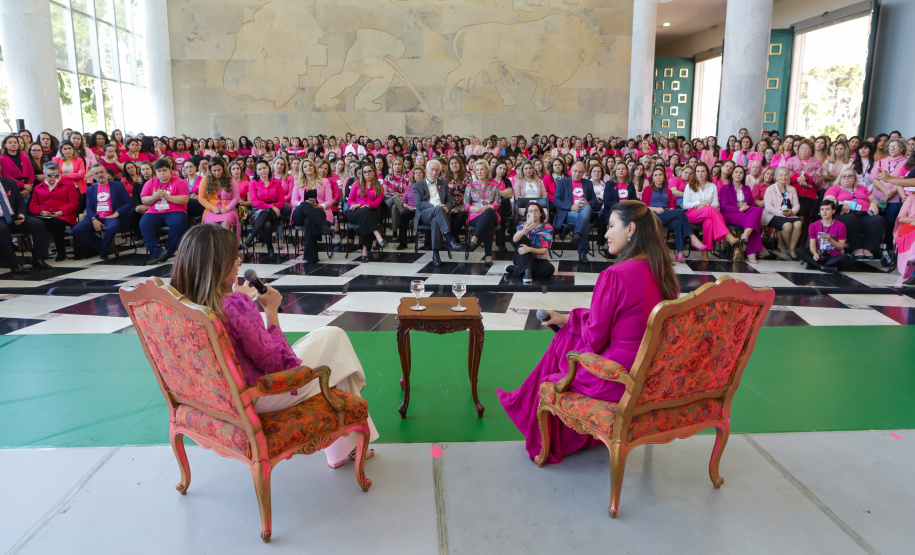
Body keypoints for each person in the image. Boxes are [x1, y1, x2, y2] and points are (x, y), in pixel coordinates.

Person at [169, 224, 378, 468]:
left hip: (214, 397)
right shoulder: (234, 305)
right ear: (216, 265)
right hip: (260, 395)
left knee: (329, 343)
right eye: (233, 258)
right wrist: (270, 310)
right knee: (335, 338)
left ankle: (344, 448)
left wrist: (243, 303)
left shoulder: (181, 306)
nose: (238, 263)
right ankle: (349, 443)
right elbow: (276, 362)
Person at [498, 200, 679, 463]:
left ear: (630, 228)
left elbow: (594, 340)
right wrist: (570, 317)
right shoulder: (664, 273)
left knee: (564, 338)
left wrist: (569, 320)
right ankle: (528, 405)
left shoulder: (615, 275)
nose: (605, 234)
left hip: (619, 378)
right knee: (568, 329)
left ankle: (532, 416)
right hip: (652, 372)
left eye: (610, 226)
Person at [71, 164, 133, 259]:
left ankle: (103, 248)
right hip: (97, 216)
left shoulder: (118, 186)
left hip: (112, 216)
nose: (100, 174)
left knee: (112, 228)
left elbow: (129, 203)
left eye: (102, 172)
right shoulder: (90, 189)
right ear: (93, 176)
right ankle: (104, 246)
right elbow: (89, 208)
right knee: (76, 230)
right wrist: (94, 219)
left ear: (106, 172)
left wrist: (117, 213)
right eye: (97, 173)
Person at [643, 167, 706, 261]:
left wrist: (669, 210)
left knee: (678, 223)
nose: (658, 177)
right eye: (655, 175)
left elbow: (672, 206)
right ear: (652, 178)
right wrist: (656, 209)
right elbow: (643, 206)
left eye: (660, 175)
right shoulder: (648, 189)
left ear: (664, 177)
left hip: (666, 214)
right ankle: (692, 237)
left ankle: (680, 254)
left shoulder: (668, 191)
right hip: (653, 214)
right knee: (680, 212)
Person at [682, 162, 740, 261]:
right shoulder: (689, 186)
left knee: (709, 222)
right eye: (698, 171)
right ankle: (727, 235)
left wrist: (706, 206)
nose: (700, 173)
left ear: (707, 173)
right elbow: (685, 205)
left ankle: (705, 253)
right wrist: (700, 203)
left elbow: (715, 204)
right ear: (695, 173)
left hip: (708, 213)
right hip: (692, 213)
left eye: (702, 171)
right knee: (710, 210)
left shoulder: (712, 186)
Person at [823, 169, 883, 260]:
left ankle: (868, 248)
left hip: (864, 214)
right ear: (840, 178)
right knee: (851, 219)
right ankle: (856, 248)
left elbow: (873, 199)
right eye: (844, 176)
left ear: (854, 178)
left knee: (878, 220)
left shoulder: (862, 188)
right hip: (844, 213)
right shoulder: (835, 188)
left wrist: (873, 205)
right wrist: (841, 203)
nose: (847, 178)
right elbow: (827, 201)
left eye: (850, 176)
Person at [139, 159, 190, 265]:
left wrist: (167, 197)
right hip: (154, 211)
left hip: (175, 210)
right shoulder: (150, 182)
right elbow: (144, 200)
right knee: (144, 223)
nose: (162, 173)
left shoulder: (180, 182)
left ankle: (169, 251)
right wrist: (154, 197)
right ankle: (156, 252)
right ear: (155, 171)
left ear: (170, 170)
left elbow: (185, 199)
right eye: (158, 171)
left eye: (164, 170)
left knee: (178, 222)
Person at [412, 159, 462, 267]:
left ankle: (435, 254)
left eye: (437, 170)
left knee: (435, 221)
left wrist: (447, 208)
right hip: (425, 214)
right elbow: (419, 204)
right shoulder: (418, 185)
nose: (434, 173)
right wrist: (436, 206)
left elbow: (449, 201)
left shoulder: (443, 184)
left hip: (440, 214)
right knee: (437, 209)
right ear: (426, 170)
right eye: (432, 170)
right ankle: (449, 238)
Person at [28, 162, 80, 261]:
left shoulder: (68, 185)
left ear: (59, 173)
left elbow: (74, 203)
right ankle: (40, 254)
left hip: (64, 215)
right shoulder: (38, 187)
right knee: (37, 224)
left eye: (56, 174)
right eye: (49, 175)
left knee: (55, 224)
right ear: (44, 174)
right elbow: (33, 205)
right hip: (45, 215)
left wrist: (61, 211)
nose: (53, 177)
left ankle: (61, 251)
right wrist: (41, 211)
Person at [0, 176, 51, 273]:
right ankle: (14, 263)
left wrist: (21, 214)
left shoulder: (10, 183)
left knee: (38, 224)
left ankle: (38, 259)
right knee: (2, 229)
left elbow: (20, 203)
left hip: (13, 216)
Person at [292, 159, 337, 264]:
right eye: (305, 166)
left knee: (309, 221)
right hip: (300, 213)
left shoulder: (324, 181)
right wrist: (304, 204)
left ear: (314, 167)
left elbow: (329, 201)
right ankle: (324, 225)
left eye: (310, 165)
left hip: (319, 211)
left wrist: (319, 206)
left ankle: (311, 257)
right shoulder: (297, 182)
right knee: (305, 205)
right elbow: (293, 201)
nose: (308, 167)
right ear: (302, 169)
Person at [553, 161, 598, 264]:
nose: (577, 174)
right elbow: (556, 201)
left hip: (584, 211)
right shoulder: (562, 183)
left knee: (586, 209)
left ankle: (577, 233)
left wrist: (588, 203)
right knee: (584, 221)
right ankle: (582, 254)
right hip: (569, 213)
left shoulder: (588, 183)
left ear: (584, 173)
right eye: (575, 171)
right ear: (570, 171)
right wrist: (570, 206)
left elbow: (594, 201)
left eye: (580, 172)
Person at [719, 165, 764, 263]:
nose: (738, 174)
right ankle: (751, 254)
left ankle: (745, 234)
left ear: (744, 175)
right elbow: (724, 206)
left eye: (741, 172)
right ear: (732, 174)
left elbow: (752, 204)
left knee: (757, 210)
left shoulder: (747, 188)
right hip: (730, 214)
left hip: (745, 212)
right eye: (736, 172)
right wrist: (739, 209)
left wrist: (746, 208)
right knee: (753, 222)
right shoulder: (725, 188)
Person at [243, 159, 285, 262]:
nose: (262, 171)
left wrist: (271, 207)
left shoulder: (277, 182)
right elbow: (254, 202)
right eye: (259, 169)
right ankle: (270, 249)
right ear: (256, 171)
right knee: (266, 223)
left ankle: (251, 237)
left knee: (267, 212)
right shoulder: (253, 183)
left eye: (264, 168)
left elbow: (281, 202)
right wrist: (271, 206)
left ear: (268, 168)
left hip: (275, 213)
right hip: (257, 213)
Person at [346, 162, 387, 263]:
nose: (367, 174)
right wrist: (357, 205)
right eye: (365, 172)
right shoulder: (356, 184)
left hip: (370, 212)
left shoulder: (379, 187)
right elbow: (349, 200)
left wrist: (363, 205)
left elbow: (376, 203)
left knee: (366, 215)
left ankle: (364, 253)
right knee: (365, 213)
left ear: (374, 172)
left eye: (369, 171)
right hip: (355, 213)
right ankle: (377, 235)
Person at [506, 202, 554, 284]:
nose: (533, 213)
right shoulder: (522, 226)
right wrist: (524, 230)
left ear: (541, 214)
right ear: (527, 214)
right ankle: (527, 272)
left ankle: (516, 270)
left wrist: (529, 249)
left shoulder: (548, 228)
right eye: (530, 211)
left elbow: (544, 251)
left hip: (539, 259)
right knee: (522, 238)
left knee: (549, 269)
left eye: (536, 211)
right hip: (522, 257)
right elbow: (514, 240)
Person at [797, 200, 851, 273]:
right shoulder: (813, 225)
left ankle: (814, 265)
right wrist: (815, 254)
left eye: (827, 209)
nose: (824, 212)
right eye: (822, 209)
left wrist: (830, 240)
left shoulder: (841, 226)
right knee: (800, 250)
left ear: (833, 211)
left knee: (845, 258)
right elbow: (812, 245)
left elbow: (841, 247)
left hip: (833, 256)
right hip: (819, 255)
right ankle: (822, 267)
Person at [465, 160, 501, 265]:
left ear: (487, 170)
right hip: (475, 215)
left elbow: (497, 203)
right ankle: (488, 256)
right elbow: (466, 205)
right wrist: (478, 210)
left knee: (489, 212)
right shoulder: (470, 186)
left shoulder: (494, 186)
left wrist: (488, 207)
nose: (479, 172)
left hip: (492, 213)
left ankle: (475, 237)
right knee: (488, 224)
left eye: (482, 169)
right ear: (475, 172)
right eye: (477, 170)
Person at [762, 167, 803, 259]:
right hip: (772, 215)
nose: (783, 177)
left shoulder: (792, 189)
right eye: (781, 175)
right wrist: (781, 213)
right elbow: (768, 207)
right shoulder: (770, 189)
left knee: (798, 223)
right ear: (776, 177)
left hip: (788, 215)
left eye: (786, 175)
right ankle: (790, 247)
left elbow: (797, 205)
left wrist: (792, 211)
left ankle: (791, 248)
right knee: (787, 225)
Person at [199, 157, 241, 243]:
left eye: (219, 170)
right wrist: (212, 208)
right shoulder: (205, 180)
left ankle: (226, 248)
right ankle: (216, 249)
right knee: (213, 226)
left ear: (223, 169)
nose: (217, 173)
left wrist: (227, 208)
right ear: (210, 170)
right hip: (212, 209)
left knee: (225, 223)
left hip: (228, 208)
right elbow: (201, 198)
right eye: (214, 171)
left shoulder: (230, 179)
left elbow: (236, 197)